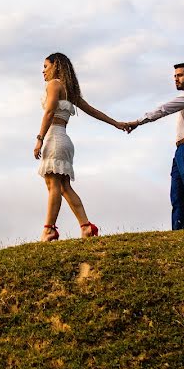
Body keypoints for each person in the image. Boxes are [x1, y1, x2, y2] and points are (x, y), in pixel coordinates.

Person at [35, 52, 127, 241]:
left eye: (46, 66)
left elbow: (50, 111)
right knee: (63, 186)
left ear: (56, 66)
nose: (43, 71)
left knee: (54, 185)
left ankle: (49, 229)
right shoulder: (69, 90)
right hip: (64, 139)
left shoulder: (54, 85)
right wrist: (116, 123)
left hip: (54, 138)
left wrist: (39, 138)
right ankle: (86, 226)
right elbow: (93, 111)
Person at [124, 63, 184, 230]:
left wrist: (139, 122)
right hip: (181, 149)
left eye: (180, 75)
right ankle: (178, 233)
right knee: (177, 195)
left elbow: (165, 109)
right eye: (175, 76)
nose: (176, 79)